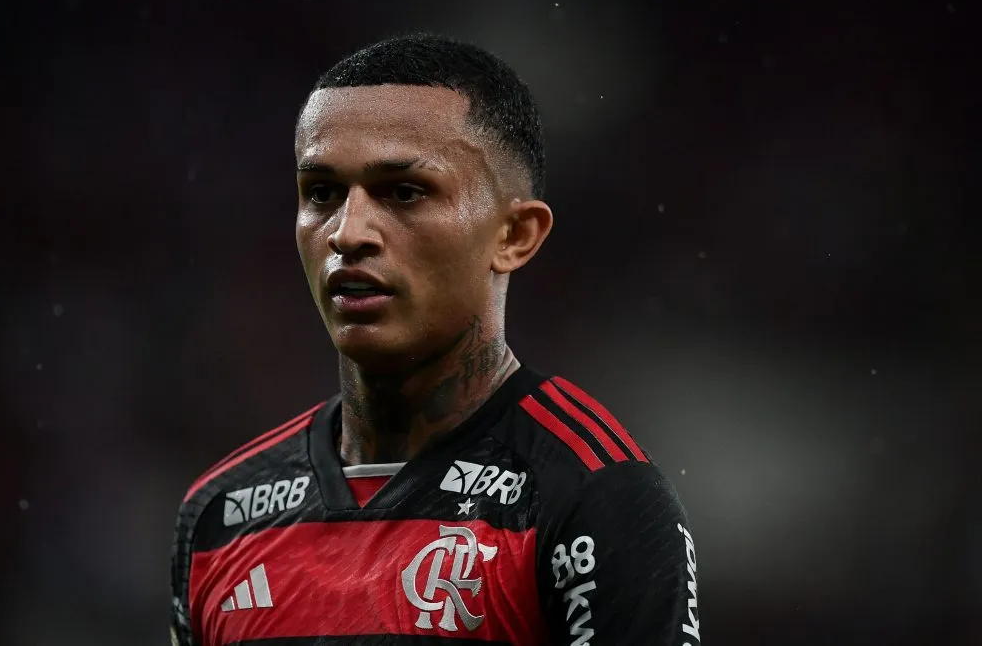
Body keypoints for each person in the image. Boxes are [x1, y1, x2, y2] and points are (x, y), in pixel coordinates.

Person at [170, 33, 701, 646]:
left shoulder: (591, 494)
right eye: (322, 193)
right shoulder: (220, 515)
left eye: (404, 192)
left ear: (514, 235)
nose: (348, 232)